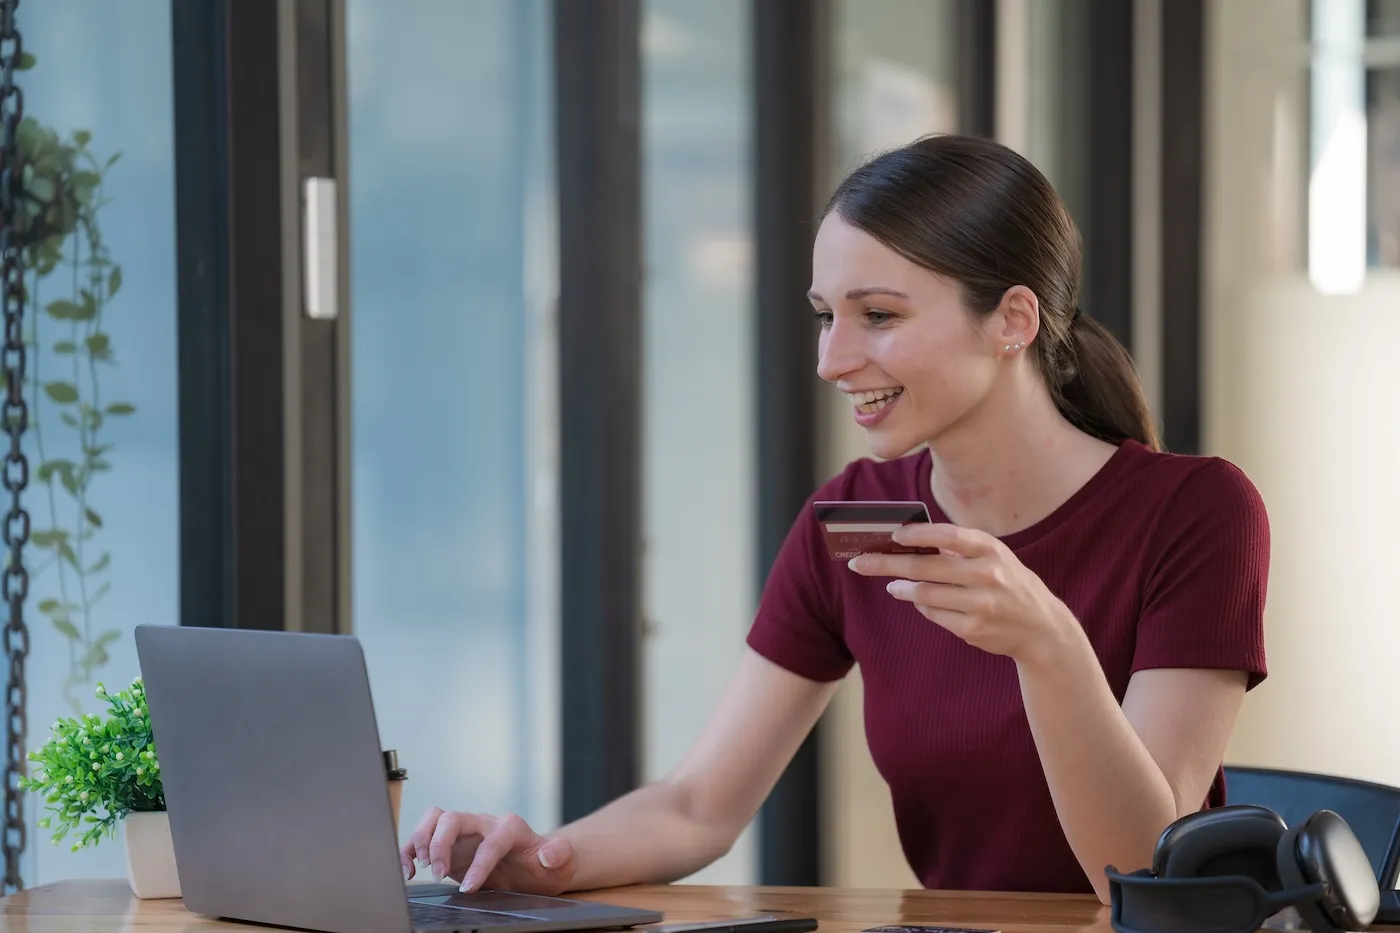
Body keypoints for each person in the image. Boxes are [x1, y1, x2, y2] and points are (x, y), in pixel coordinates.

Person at [400, 133, 1270, 906]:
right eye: (825, 316)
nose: (832, 360)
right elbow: (701, 802)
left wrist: (1049, 647)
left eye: (878, 316)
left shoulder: (1197, 513)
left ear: (1012, 319)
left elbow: (1138, 874)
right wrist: (543, 859)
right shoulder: (854, 519)